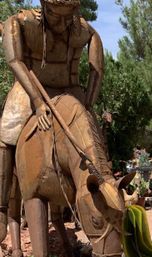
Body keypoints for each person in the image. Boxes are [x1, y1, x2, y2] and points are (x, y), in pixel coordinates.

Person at [0, 0, 104, 241]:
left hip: (69, 89)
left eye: (67, 17)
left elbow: (97, 70)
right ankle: (2, 207)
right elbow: (15, 60)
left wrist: (88, 105)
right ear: (44, 9)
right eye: (55, 16)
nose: (61, 23)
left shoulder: (85, 31)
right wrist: (37, 102)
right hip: (30, 90)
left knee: (94, 139)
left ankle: (102, 193)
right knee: (6, 133)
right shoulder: (24, 22)